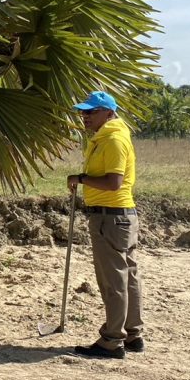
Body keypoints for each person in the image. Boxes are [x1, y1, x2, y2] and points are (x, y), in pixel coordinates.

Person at [66, 91, 143, 359]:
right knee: (127, 276)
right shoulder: (107, 136)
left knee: (114, 280)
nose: (85, 116)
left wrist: (81, 179)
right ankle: (132, 334)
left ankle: (112, 340)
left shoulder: (113, 139)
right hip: (117, 217)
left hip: (110, 217)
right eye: (83, 112)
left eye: (91, 111)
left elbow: (113, 183)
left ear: (109, 113)